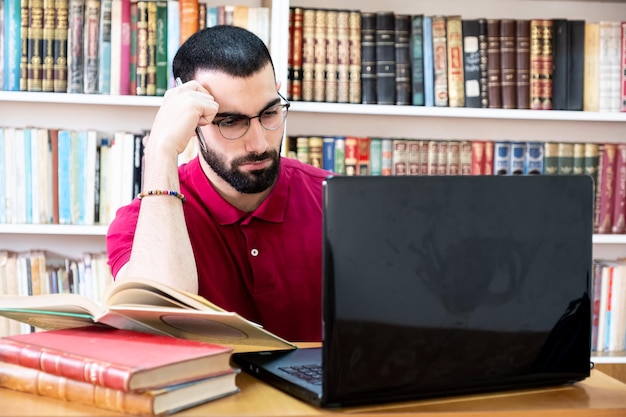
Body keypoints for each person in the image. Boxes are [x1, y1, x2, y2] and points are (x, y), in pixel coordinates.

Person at [106, 26, 329, 342]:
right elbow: (156, 325)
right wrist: (160, 148)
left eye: (269, 113)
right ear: (193, 121)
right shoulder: (140, 223)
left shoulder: (336, 200)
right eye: (231, 121)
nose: (259, 143)